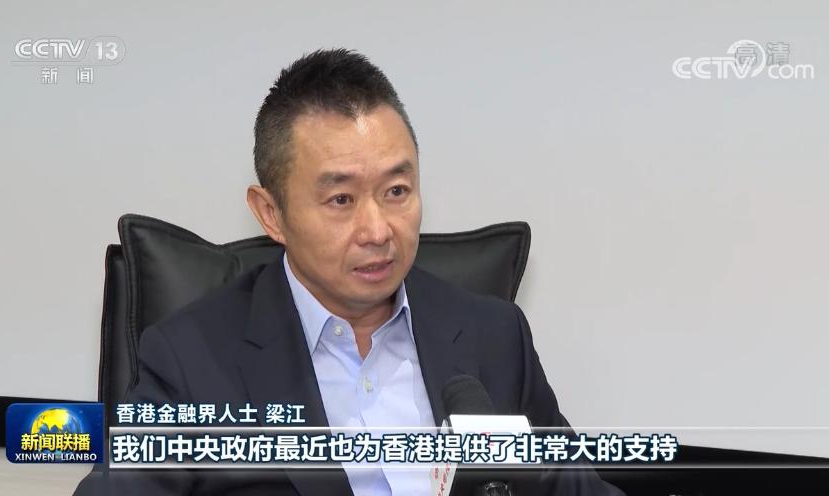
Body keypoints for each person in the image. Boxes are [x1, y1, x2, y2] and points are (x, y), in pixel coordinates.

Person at [74, 48, 622, 495]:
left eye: (397, 191)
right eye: (341, 199)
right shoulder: (191, 360)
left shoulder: (495, 337)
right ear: (271, 214)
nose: (378, 230)